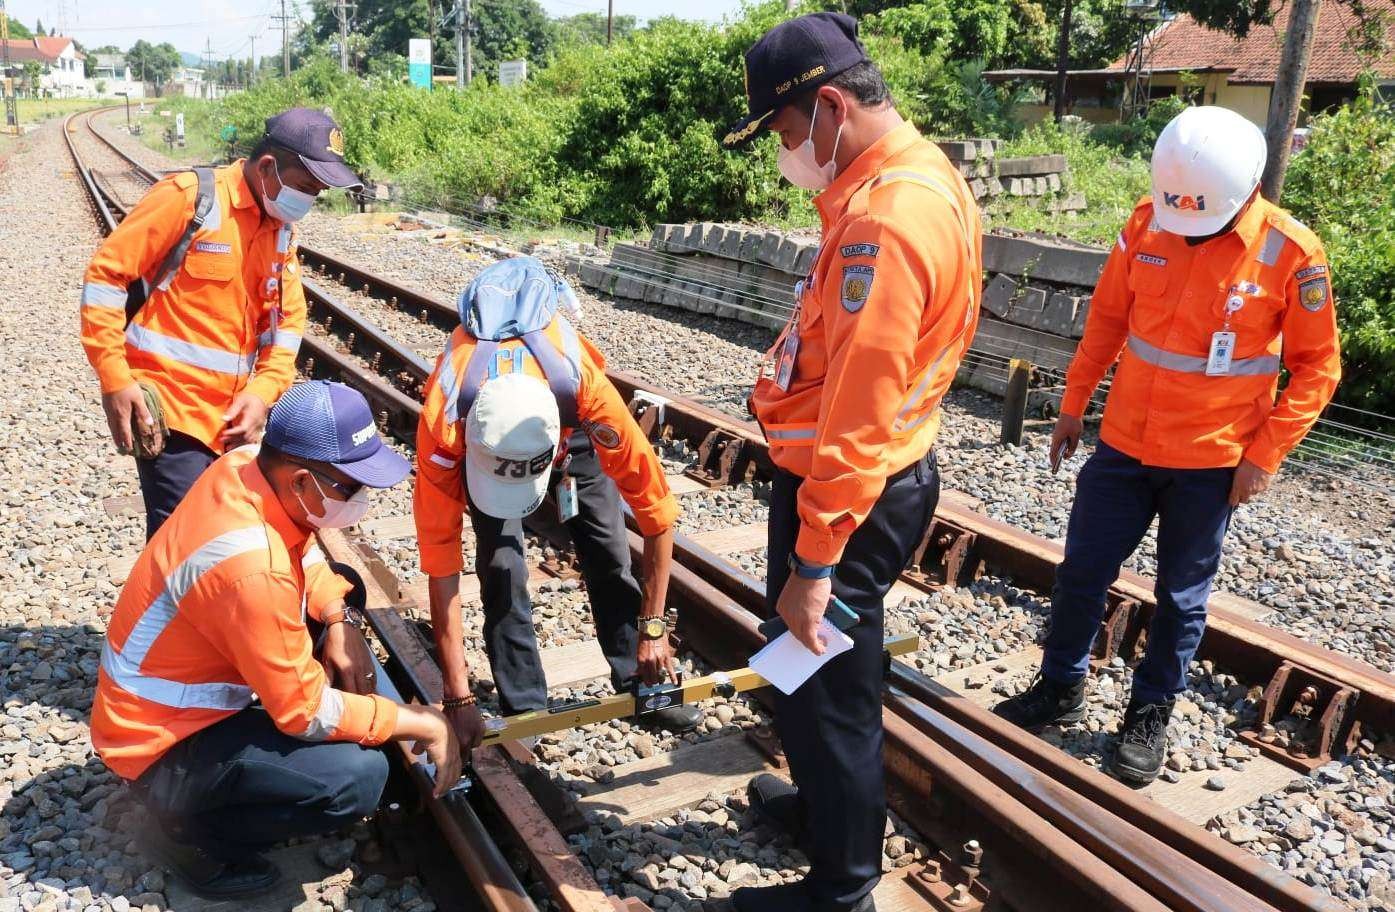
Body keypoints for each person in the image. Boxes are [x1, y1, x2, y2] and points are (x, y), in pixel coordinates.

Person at [717, 13, 982, 912]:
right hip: (850, 483)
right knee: (809, 669)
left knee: (830, 687)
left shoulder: (888, 221)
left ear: (830, 106)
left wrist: (816, 557)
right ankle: (823, 814)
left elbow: (862, 409)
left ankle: (841, 888)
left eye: (789, 135)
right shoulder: (905, 179)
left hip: (851, 495)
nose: (788, 156)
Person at [992, 106, 1342, 784]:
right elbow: (1107, 319)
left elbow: (1317, 368)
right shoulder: (1146, 220)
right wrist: (1071, 405)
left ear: (1244, 189)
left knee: (1180, 600)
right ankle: (1060, 684)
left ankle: (1148, 713)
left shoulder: (1290, 253)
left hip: (1210, 463)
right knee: (1080, 573)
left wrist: (1262, 458)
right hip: (1123, 445)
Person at [91, 380, 462, 899]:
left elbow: (301, 551)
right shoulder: (251, 568)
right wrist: (418, 721)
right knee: (355, 776)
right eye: (352, 487)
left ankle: (215, 796)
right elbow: (305, 713)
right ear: (303, 481)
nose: (362, 500)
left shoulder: (246, 464)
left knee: (340, 588)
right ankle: (187, 837)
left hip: (173, 699)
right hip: (159, 745)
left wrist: (338, 619)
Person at [414, 256, 701, 750]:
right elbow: (440, 561)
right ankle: (524, 704)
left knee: (607, 545)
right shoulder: (448, 422)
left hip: (568, 428)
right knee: (502, 565)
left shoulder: (586, 392)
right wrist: (457, 695)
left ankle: (640, 669)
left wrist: (653, 628)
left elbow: (657, 514)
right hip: (493, 435)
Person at [80, 107, 362, 539]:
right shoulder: (190, 199)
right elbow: (106, 277)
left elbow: (288, 321)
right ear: (268, 167)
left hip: (233, 421)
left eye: (318, 192)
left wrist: (262, 393)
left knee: (222, 538)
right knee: (184, 543)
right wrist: (115, 380)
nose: (309, 200)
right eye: (307, 187)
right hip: (173, 413)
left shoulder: (280, 227)